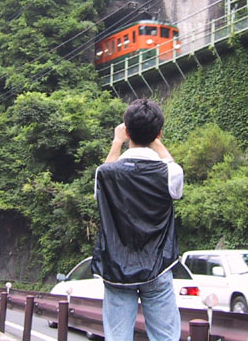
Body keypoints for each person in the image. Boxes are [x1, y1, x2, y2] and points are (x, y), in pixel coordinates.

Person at [91, 98, 183, 341]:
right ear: (159, 134)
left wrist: (116, 143)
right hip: (158, 266)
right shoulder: (170, 173)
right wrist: (155, 140)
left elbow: (104, 177)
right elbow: (172, 170)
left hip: (116, 269)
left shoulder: (104, 174)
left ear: (126, 132)